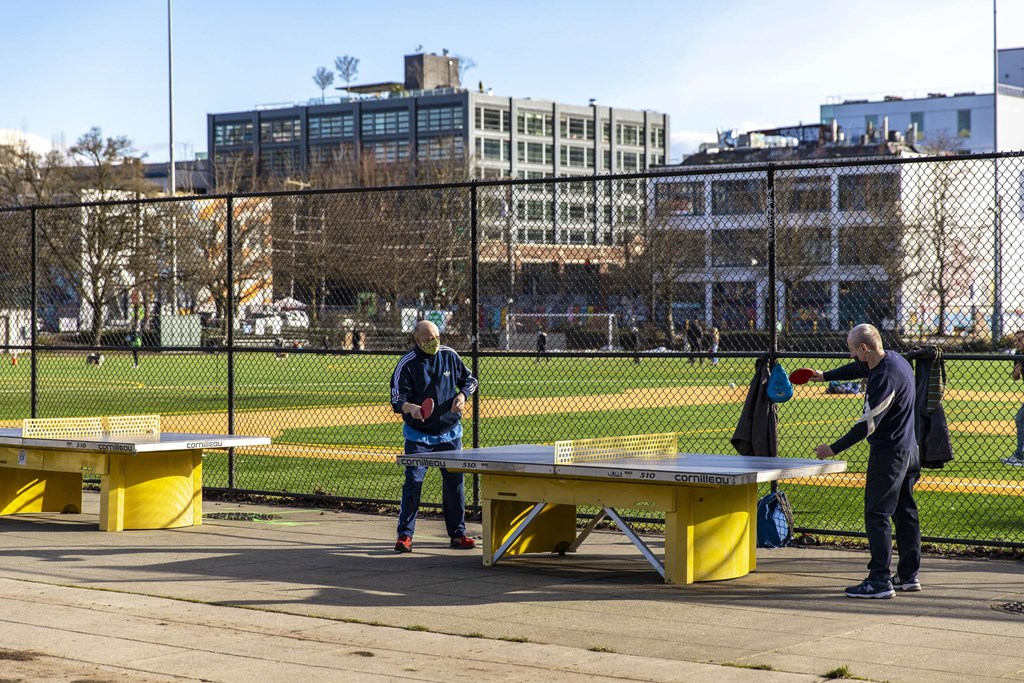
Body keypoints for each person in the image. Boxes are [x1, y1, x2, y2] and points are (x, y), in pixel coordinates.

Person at [807, 323, 921, 599]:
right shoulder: (895, 360)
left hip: (890, 453)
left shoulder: (884, 378)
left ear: (863, 348)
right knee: (904, 511)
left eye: (851, 349)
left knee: (877, 514)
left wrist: (834, 448)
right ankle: (907, 575)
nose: (850, 355)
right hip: (910, 449)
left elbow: (868, 424)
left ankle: (880, 580)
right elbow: (857, 369)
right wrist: (823, 376)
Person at [391, 320, 479, 553]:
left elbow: (471, 381)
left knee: (455, 485)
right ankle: (405, 536)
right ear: (417, 339)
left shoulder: (449, 355)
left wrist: (462, 396)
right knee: (413, 483)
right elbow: (397, 399)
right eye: (429, 339)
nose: (435, 342)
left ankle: (458, 535)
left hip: (450, 433)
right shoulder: (407, 364)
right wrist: (411, 408)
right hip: (418, 435)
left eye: (437, 337)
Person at [1004, 330, 1024, 466]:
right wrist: (1016, 371)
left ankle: (1020, 455)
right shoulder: (1018, 354)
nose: (1017, 343)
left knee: (1020, 418)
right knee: (1020, 418)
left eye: (1020, 340)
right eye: (1015, 340)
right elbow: (1016, 377)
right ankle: (1019, 454)